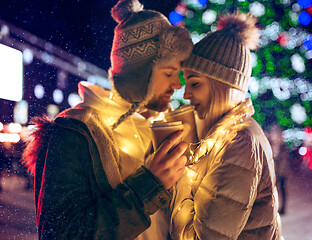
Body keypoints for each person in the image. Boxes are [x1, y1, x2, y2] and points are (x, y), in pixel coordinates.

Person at [21, 0, 193, 239]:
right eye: (168, 73)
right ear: (139, 73)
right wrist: (147, 185)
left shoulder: (155, 127)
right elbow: (60, 234)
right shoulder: (75, 132)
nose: (177, 85)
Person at [169, 11, 281, 239]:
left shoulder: (239, 143)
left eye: (195, 83)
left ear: (222, 85)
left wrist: (176, 173)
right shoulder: (226, 135)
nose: (186, 94)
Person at [269, 124, 291, 215]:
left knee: (282, 190)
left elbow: (284, 160)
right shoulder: (270, 145)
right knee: (274, 191)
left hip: (282, 172)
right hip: (274, 172)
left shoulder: (283, 146)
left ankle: (283, 208)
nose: (273, 135)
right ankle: (274, 207)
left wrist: (279, 170)